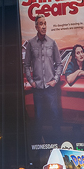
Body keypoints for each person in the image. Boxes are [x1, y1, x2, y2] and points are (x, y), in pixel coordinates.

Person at [22, 13, 64, 144]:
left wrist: (55, 80)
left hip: (51, 88)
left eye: (45, 23)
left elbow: (59, 64)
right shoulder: (31, 44)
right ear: (36, 27)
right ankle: (40, 147)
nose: (44, 26)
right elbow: (26, 64)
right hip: (38, 88)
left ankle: (58, 144)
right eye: (41, 24)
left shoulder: (52, 43)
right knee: (38, 118)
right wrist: (31, 81)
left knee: (55, 116)